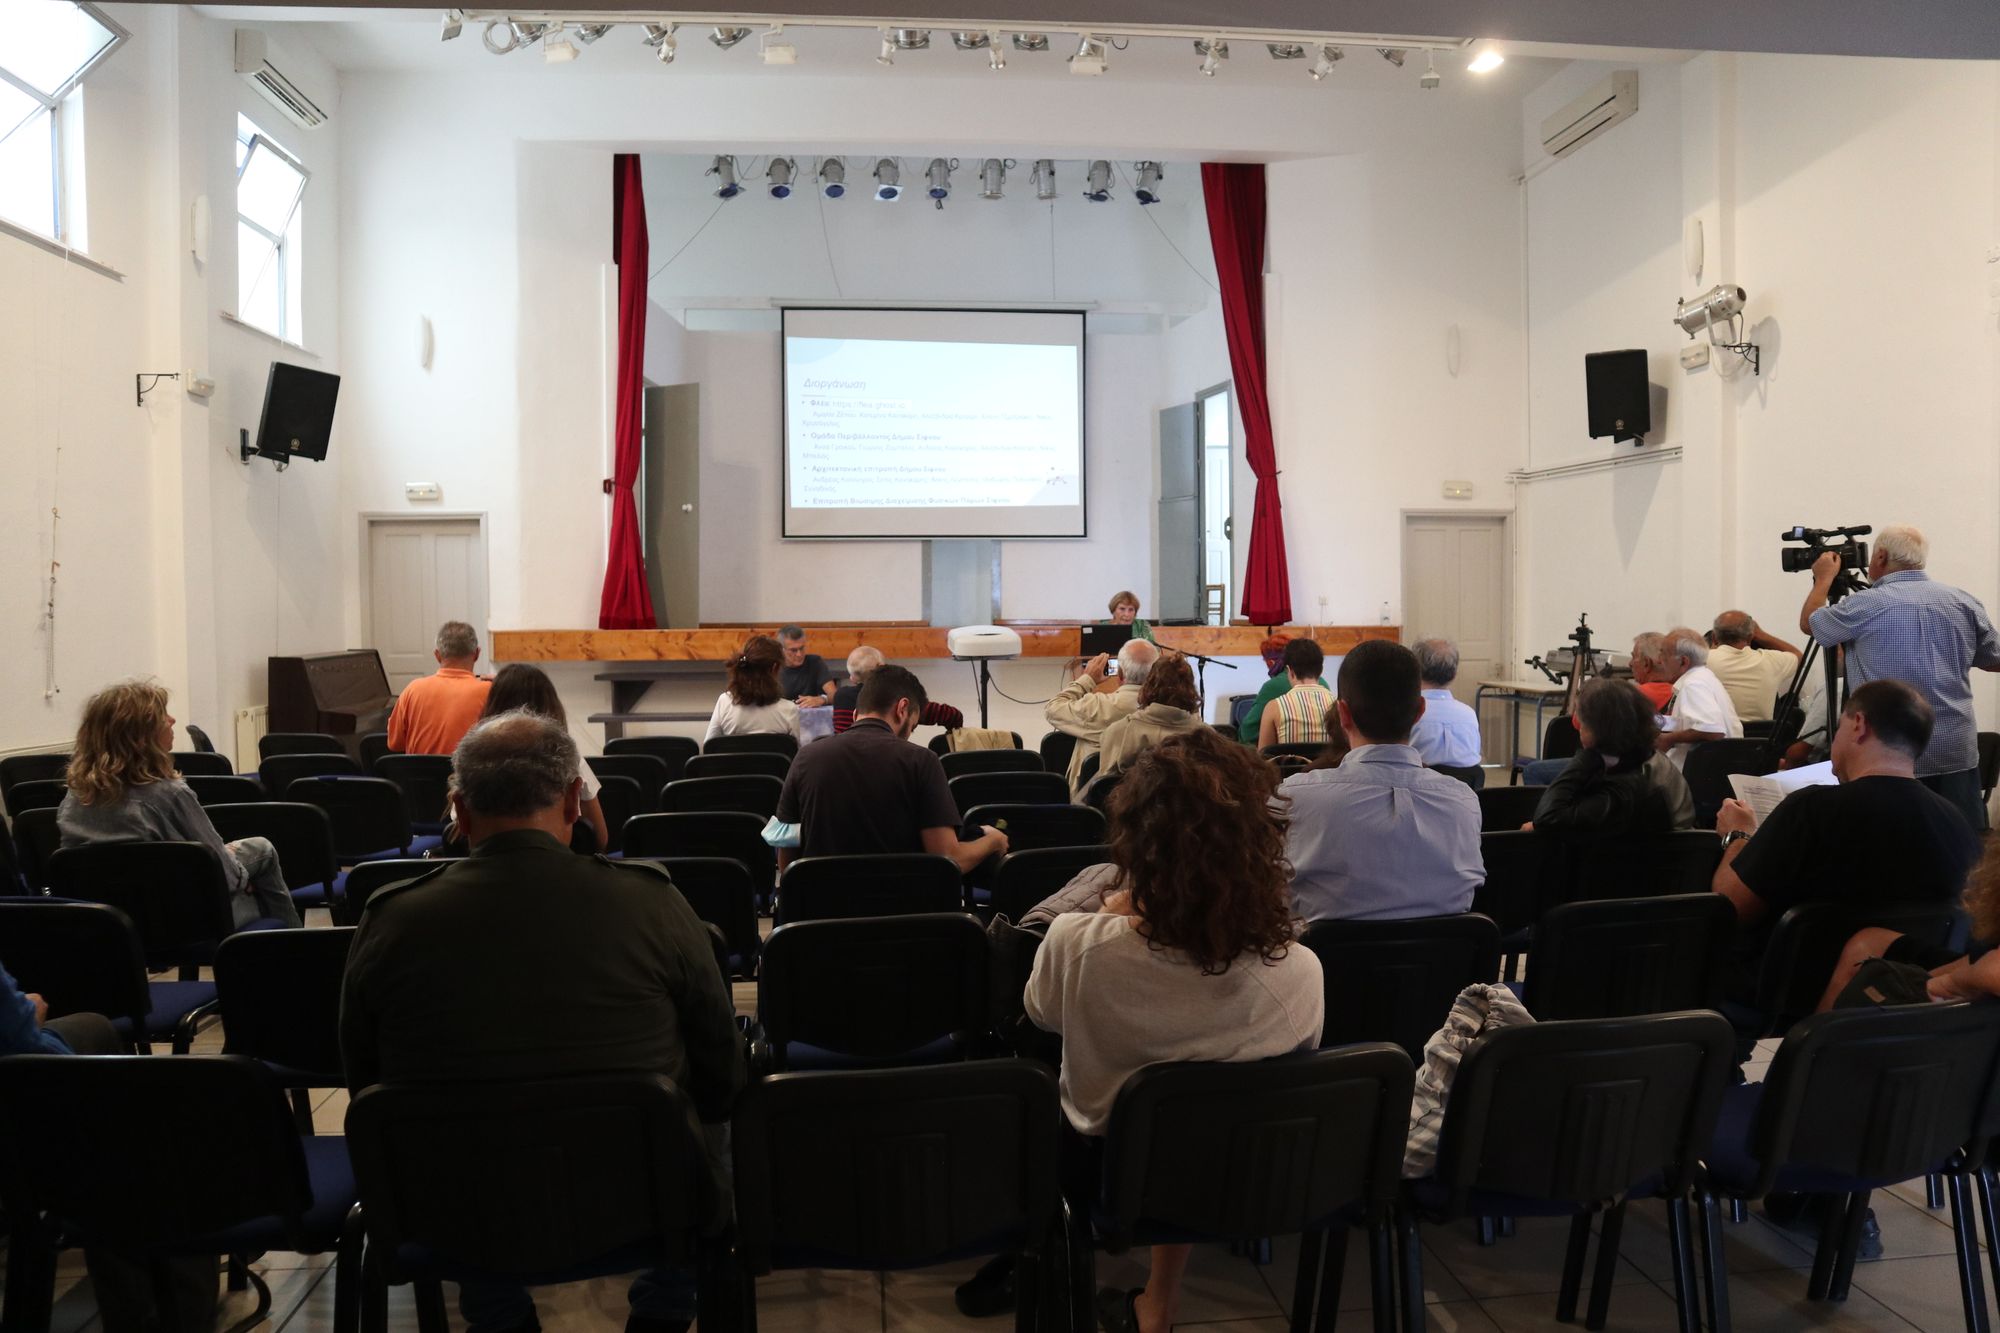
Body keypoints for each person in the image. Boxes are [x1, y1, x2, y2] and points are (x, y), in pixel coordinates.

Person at [341, 711, 744, 1333]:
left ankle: (498, 1315)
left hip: (461, 1206)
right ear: (574, 800)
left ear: (458, 809)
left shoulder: (392, 918)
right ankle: (663, 1311)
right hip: (641, 1198)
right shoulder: (651, 901)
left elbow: (364, 1075)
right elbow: (721, 1067)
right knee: (715, 1126)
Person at [1023, 730, 1323, 1333]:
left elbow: (1042, 1014)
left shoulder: (1075, 943)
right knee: (1197, 1108)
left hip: (1104, 1173)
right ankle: (1159, 1301)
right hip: (1242, 1174)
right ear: (1259, 843)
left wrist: (1108, 916)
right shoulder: (1298, 969)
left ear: (1135, 842)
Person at [1711, 680, 1981, 1011]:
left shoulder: (1810, 810)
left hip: (1780, 997)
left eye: (1839, 727)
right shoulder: (1957, 823)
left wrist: (1738, 835)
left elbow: (1729, 909)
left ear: (1859, 724)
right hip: (1896, 1003)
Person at [1800, 524, 2000, 830]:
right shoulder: (1963, 601)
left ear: (1880, 556)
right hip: (1954, 749)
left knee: (1891, 844)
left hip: (1889, 755)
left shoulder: (1865, 604)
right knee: (1962, 843)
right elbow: (1994, 660)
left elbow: (1810, 623)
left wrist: (1824, 578)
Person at [58, 680, 300, 929]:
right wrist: (242, 878)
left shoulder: (74, 798)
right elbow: (228, 877)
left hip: (112, 926)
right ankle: (293, 945)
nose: (172, 720)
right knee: (262, 850)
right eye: (163, 715)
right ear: (141, 736)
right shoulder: (170, 795)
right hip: (188, 922)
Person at [1283, 640, 1483, 922]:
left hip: (1326, 952)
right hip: (1444, 952)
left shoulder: (1292, 799)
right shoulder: (1464, 802)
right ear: (1420, 711)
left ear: (1342, 714)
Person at [774, 665, 1007, 873]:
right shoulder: (921, 761)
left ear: (856, 715)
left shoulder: (806, 757)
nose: (908, 735)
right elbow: (948, 858)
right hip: (900, 906)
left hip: (820, 906)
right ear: (902, 708)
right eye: (912, 727)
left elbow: (786, 855)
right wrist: (993, 841)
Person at [1528, 679, 1695, 833]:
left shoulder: (1629, 785)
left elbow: (1547, 817)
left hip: (1644, 853)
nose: (1579, 729)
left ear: (1598, 729)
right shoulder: (1643, 756)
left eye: (1583, 723)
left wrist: (1587, 756)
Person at [476, 663, 609, 853]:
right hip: (562, 869)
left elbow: (460, 838)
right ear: (551, 708)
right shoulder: (572, 762)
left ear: (494, 707)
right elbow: (600, 839)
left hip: (490, 869)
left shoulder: (474, 764)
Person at [1046, 639, 1158, 797]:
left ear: (1120, 674)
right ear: (1156, 675)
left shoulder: (1097, 707)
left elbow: (1053, 709)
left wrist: (1087, 679)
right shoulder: (1167, 714)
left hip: (1093, 804)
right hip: (1149, 802)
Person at [386, 620, 491, 755]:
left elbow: (394, 744)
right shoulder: (490, 692)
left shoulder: (412, 690)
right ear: (477, 654)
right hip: (466, 769)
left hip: (419, 769)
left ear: (437, 655)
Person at [1095, 653, 1205, 775]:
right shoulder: (1208, 738)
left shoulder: (1118, 732)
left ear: (1148, 686)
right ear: (1191, 690)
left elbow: (1103, 784)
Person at [1655, 628, 1743, 769]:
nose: (1659, 661)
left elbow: (1713, 730)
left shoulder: (1693, 684)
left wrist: (1668, 739)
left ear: (1683, 662)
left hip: (1696, 773)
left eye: (1664, 655)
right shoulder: (1705, 677)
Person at [829, 645, 963, 735]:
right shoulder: (896, 698)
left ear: (852, 678)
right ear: (884, 669)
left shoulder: (840, 696)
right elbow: (951, 715)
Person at [1706, 611, 1800, 724]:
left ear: (1714, 637)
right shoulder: (1771, 660)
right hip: (1763, 734)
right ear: (1750, 637)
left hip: (1718, 734)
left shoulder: (1702, 660)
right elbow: (1799, 656)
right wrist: (1761, 634)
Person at [703, 635, 802, 742]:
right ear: (774, 668)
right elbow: (795, 750)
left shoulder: (724, 702)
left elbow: (709, 745)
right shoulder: (789, 710)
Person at [1408, 638, 1482, 769]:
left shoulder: (1408, 713)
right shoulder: (1469, 714)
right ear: (1454, 674)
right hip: (1465, 782)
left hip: (1420, 781)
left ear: (1414, 670)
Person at [1257, 638, 1335, 749]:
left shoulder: (1273, 708)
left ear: (1290, 671)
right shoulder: (1337, 706)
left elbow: (1264, 754)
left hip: (1288, 761)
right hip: (1328, 761)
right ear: (1321, 670)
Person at [1235, 634, 1293, 743]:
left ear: (1271, 662)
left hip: (1279, 751)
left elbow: (1249, 730)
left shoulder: (1274, 685)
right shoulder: (1320, 681)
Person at [776, 625, 839, 708]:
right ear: (781, 650)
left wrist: (822, 699)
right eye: (793, 650)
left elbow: (834, 695)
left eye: (802, 648)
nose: (799, 654)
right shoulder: (773, 667)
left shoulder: (815, 662)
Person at [1628, 633, 1676, 712]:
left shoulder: (1634, 696)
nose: (1630, 663)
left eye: (1634, 657)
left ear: (1647, 663)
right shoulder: (1681, 693)